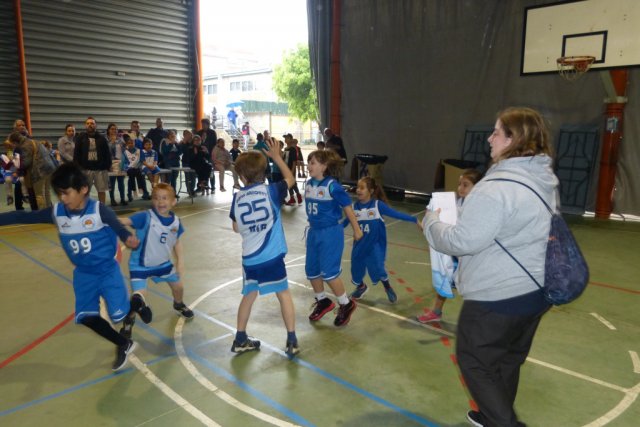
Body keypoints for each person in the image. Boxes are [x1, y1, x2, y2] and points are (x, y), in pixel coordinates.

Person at [422, 107, 557, 426]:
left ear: (514, 140)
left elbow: (462, 241)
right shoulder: (540, 178)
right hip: (536, 290)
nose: (489, 138)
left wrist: (431, 223)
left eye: (497, 132)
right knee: (506, 361)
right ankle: (491, 417)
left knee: (474, 359)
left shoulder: (497, 186)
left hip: (499, 296)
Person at [0, 162, 140, 371]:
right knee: (86, 317)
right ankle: (124, 343)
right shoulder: (58, 213)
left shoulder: (99, 211)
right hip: (84, 274)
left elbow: (117, 226)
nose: (63, 198)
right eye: (59, 194)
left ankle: (137, 304)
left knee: (119, 314)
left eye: (66, 193)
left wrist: (127, 237)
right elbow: (23, 216)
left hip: (106, 270)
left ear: (83, 189)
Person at [229, 138, 299, 356]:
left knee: (249, 294)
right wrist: (277, 157)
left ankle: (240, 338)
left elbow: (235, 228)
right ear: (264, 173)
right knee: (283, 294)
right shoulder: (272, 191)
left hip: (250, 259)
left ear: (242, 177)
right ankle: (292, 339)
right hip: (271, 257)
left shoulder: (237, 198)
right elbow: (291, 178)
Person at [119, 183, 193, 337]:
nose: (160, 202)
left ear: (173, 201)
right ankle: (129, 319)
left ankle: (178, 304)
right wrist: (105, 218)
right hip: (140, 266)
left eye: (164, 198)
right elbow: (125, 221)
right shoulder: (145, 217)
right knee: (138, 298)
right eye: (156, 198)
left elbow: (176, 242)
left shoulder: (176, 222)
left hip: (163, 264)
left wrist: (180, 262)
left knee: (178, 287)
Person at [305, 149, 363, 327]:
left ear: (324, 166)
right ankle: (322, 301)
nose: (308, 166)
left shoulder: (332, 186)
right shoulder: (308, 184)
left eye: (312, 163)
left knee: (329, 273)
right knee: (312, 270)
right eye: (308, 162)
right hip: (314, 232)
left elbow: (348, 208)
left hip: (330, 232)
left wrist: (356, 229)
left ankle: (346, 304)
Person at [417, 168, 483, 323]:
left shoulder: (479, 208)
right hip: (454, 254)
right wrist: (429, 225)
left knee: (471, 290)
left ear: (478, 187)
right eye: (459, 184)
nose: (460, 188)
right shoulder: (455, 204)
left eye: (465, 185)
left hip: (470, 258)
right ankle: (436, 312)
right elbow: (445, 227)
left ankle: (476, 321)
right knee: (444, 279)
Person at [348, 177, 422, 303]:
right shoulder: (354, 207)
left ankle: (387, 287)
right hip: (359, 245)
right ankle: (361, 287)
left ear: (371, 191)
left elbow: (397, 214)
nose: (358, 190)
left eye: (362, 188)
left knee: (379, 268)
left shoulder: (378, 206)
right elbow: (346, 222)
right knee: (355, 269)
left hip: (374, 245)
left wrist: (415, 220)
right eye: (357, 187)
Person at [8, 132, 57, 210]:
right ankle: (49, 211)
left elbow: (26, 162)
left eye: (13, 144)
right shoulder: (33, 141)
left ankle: (42, 213)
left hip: (40, 171)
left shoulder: (24, 146)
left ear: (15, 142)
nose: (13, 146)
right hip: (49, 169)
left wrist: (14, 163)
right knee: (47, 192)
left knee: (40, 195)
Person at [73, 116, 111, 205]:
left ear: (95, 125)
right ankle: (86, 208)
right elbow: (76, 154)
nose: (90, 125)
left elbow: (107, 154)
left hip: (100, 170)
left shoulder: (102, 138)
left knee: (101, 190)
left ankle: (101, 208)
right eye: (88, 123)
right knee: (85, 191)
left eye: (92, 123)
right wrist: (78, 168)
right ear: (85, 125)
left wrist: (107, 166)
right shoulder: (80, 138)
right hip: (85, 169)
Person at [122, 134, 149, 201]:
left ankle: (142, 191)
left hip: (138, 168)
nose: (131, 144)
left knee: (140, 174)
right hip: (129, 168)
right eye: (129, 143)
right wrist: (126, 167)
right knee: (131, 173)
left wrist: (138, 166)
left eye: (132, 143)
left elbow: (142, 160)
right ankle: (132, 191)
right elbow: (124, 162)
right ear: (127, 144)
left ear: (134, 143)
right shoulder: (125, 152)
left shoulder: (139, 151)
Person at [106, 123, 127, 207]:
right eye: (112, 129)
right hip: (111, 163)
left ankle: (122, 199)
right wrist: (112, 142)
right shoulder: (106, 140)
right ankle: (112, 199)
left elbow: (124, 150)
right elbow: (106, 151)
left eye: (115, 129)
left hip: (120, 163)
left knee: (121, 182)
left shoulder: (121, 139)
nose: (114, 130)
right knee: (111, 183)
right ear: (108, 130)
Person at [196, 118, 217, 191]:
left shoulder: (212, 132)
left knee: (211, 170)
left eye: (204, 124)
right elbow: (197, 143)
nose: (203, 126)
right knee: (201, 170)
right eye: (202, 124)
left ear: (208, 125)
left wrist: (212, 154)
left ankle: (213, 186)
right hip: (201, 155)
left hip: (210, 154)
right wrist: (202, 140)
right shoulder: (199, 133)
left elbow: (215, 144)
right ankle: (201, 187)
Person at [283, 136, 303, 205]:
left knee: (293, 183)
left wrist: (292, 171)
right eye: (285, 138)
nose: (285, 139)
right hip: (285, 169)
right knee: (288, 183)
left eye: (287, 138)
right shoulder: (285, 149)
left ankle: (298, 195)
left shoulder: (293, 149)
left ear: (291, 139)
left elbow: (294, 161)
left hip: (291, 169)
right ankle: (292, 197)